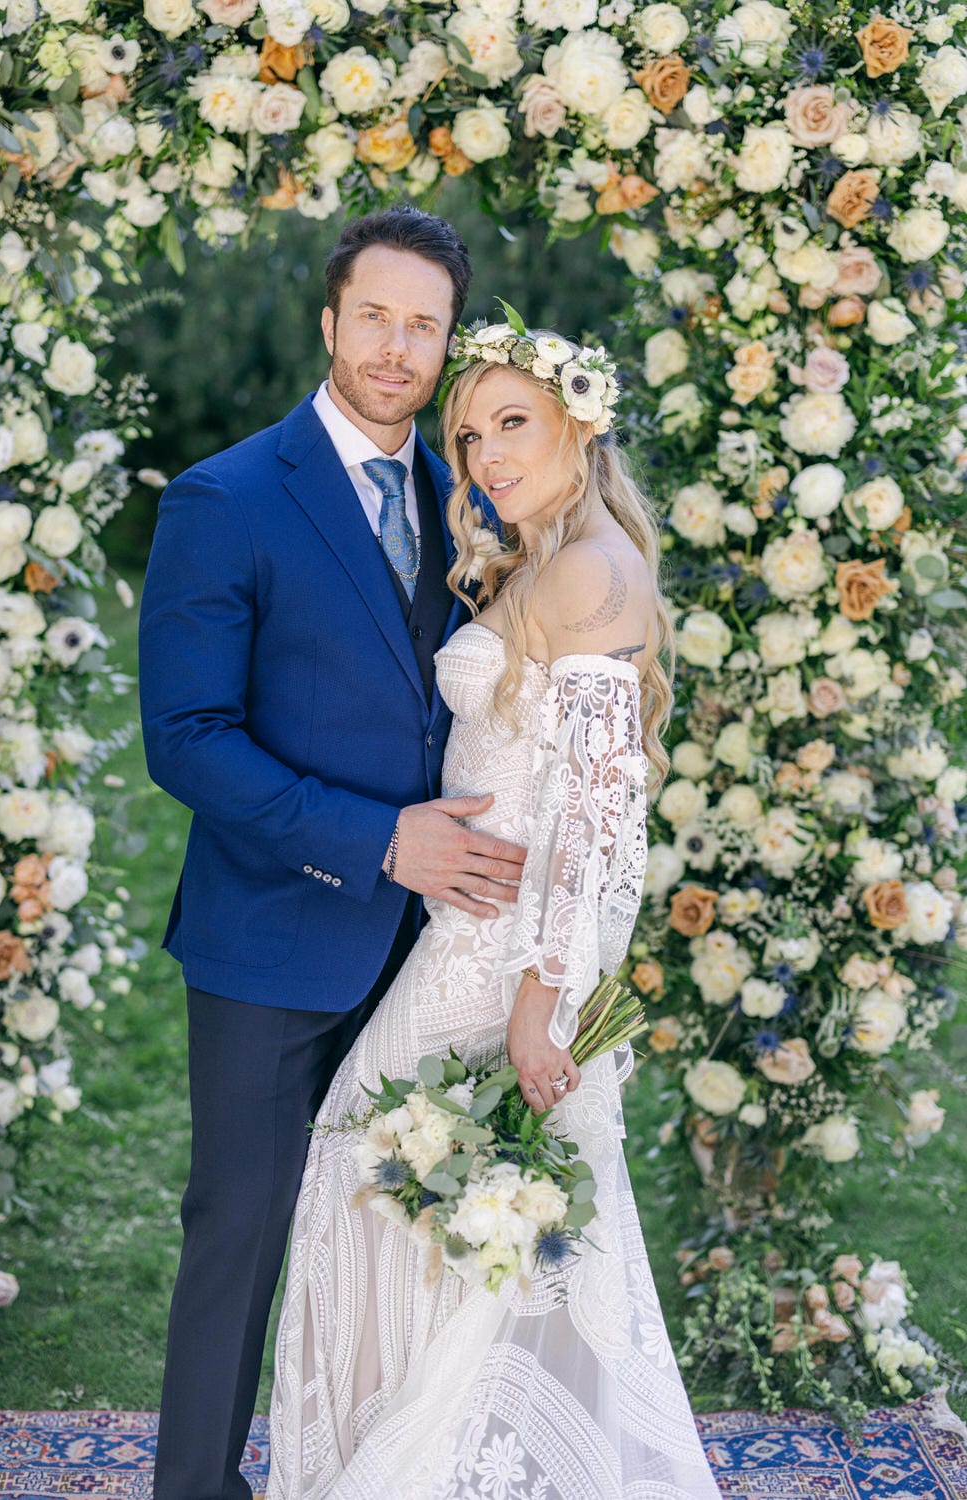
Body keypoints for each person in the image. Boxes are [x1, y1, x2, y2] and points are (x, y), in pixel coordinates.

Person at [266, 316, 721, 1498]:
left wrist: (542, 1007)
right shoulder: (543, 555)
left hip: (511, 964)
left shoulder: (589, 570)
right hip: (464, 940)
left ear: (581, 421)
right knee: (432, 1226)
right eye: (467, 437)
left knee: (419, 1213)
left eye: (510, 423)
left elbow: (600, 832)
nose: (482, 459)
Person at [138, 209, 529, 1500]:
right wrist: (378, 843)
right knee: (240, 1236)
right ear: (330, 321)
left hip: (434, 954)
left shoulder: (469, 497)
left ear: (447, 342)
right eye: (376, 315)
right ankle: (194, 1487)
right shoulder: (227, 496)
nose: (397, 346)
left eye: (424, 324)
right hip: (273, 940)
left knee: (405, 1237)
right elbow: (188, 741)